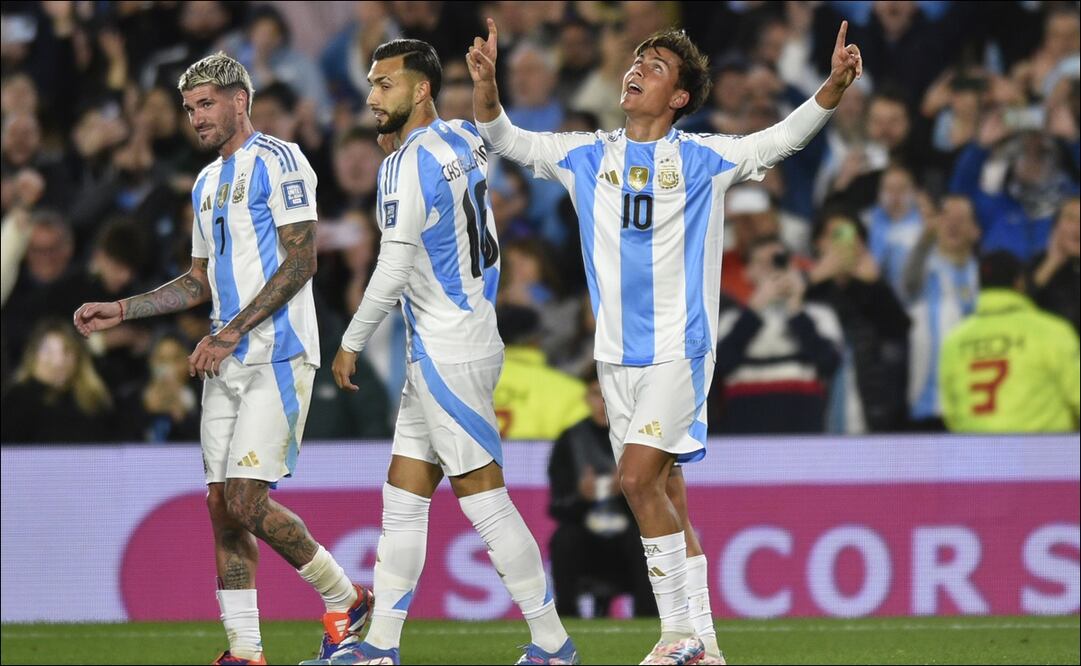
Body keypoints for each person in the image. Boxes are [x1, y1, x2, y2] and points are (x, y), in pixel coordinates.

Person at [470, 16, 863, 665]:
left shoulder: (703, 160)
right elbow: (503, 136)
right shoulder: (585, 155)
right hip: (613, 359)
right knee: (667, 494)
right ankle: (707, 646)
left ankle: (676, 632)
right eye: (636, 62)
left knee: (634, 480)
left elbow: (777, 140)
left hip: (678, 350)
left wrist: (832, 88)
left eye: (653, 67)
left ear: (679, 96)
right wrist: (486, 87)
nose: (635, 71)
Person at [72, 52, 371, 666]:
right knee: (220, 506)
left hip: (277, 352)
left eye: (206, 104)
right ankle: (245, 651)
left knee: (245, 499)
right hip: (225, 357)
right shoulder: (206, 182)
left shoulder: (282, 160)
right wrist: (122, 309)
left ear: (240, 100)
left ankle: (347, 597)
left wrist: (230, 332)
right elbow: (197, 281)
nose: (196, 117)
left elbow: (302, 261)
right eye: (189, 109)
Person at [324, 39, 577, 666]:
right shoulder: (464, 137)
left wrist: (351, 341)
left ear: (420, 90)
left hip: (446, 350)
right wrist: (485, 90)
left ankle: (553, 644)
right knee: (403, 496)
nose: (371, 96)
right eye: (371, 83)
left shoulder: (403, 165)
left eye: (385, 84)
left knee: (485, 499)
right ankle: (380, 646)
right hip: (461, 336)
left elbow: (392, 267)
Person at [548, 367, 657, 619]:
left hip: (628, 532)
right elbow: (557, 504)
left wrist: (628, 491)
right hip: (584, 531)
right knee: (564, 540)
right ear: (586, 398)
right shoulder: (569, 440)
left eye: (609, 395)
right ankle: (567, 617)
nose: (603, 403)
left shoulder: (639, 437)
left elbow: (656, 499)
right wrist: (581, 498)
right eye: (597, 394)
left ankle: (648, 618)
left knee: (644, 541)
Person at [939, 251, 1079, 432]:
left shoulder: (954, 341)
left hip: (977, 447)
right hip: (1043, 446)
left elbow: (950, 414)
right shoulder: (1051, 332)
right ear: (1020, 283)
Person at [714, 236, 842, 434]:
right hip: (744, 432)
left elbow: (829, 363)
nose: (771, 269)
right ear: (747, 272)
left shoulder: (820, 314)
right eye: (761, 263)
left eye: (778, 260)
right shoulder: (729, 319)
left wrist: (796, 311)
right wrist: (753, 311)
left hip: (804, 428)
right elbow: (721, 366)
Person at [901, 195, 981, 430]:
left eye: (961, 219)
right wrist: (924, 242)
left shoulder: (982, 274)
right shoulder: (924, 268)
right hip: (927, 404)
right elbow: (908, 285)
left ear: (975, 230)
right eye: (946, 217)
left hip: (972, 401)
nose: (953, 224)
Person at [0, 320, 115, 443]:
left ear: (78, 356)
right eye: (48, 351)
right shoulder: (15, 401)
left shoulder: (94, 399)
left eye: (67, 350)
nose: (58, 362)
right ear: (32, 355)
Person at [492, 304, 589, 441]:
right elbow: (582, 444)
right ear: (535, 340)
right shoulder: (573, 391)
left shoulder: (466, 383)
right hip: (544, 455)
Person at [1028, 196, 1080, 332]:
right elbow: (1018, 306)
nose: (1077, 227)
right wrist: (1052, 263)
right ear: (1055, 226)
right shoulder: (1037, 264)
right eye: (1071, 218)